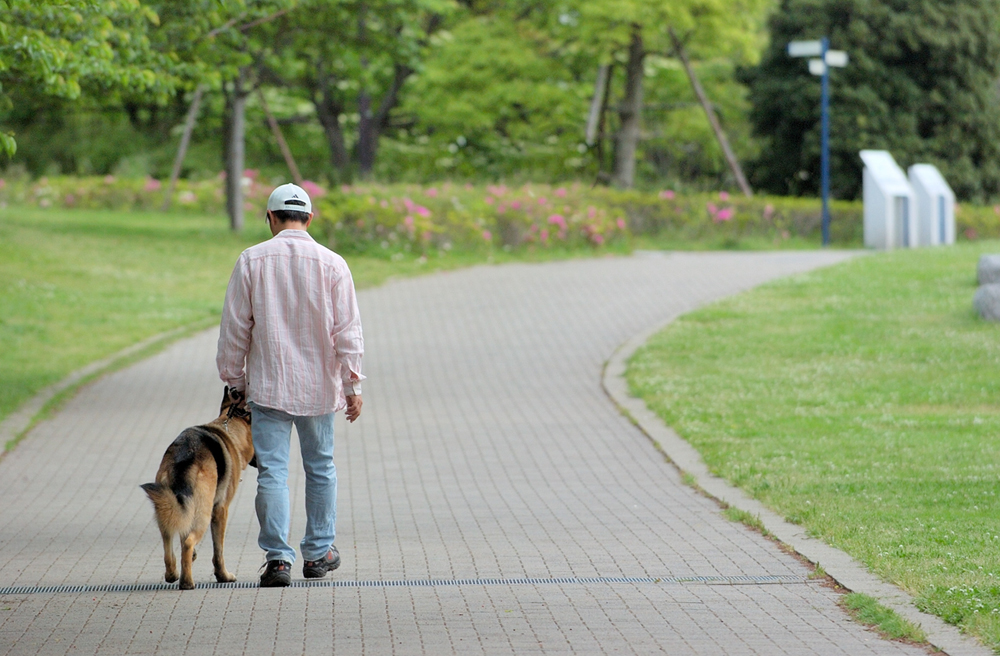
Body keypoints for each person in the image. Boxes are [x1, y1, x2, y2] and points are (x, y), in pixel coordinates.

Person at [216, 182, 364, 587]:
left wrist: (234, 381)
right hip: (318, 388)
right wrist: (352, 385)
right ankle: (318, 553)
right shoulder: (334, 264)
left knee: (273, 473)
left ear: (270, 219)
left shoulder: (251, 260)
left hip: (267, 386)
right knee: (321, 468)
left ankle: (278, 560)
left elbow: (234, 329)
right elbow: (348, 331)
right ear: (310, 219)